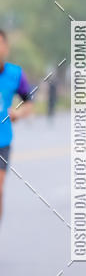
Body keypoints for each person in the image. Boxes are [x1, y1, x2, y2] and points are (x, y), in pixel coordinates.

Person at [0, 29, 33, 224]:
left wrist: (19, 113)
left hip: (2, 140)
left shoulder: (15, 74)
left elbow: (29, 102)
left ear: (6, 48)